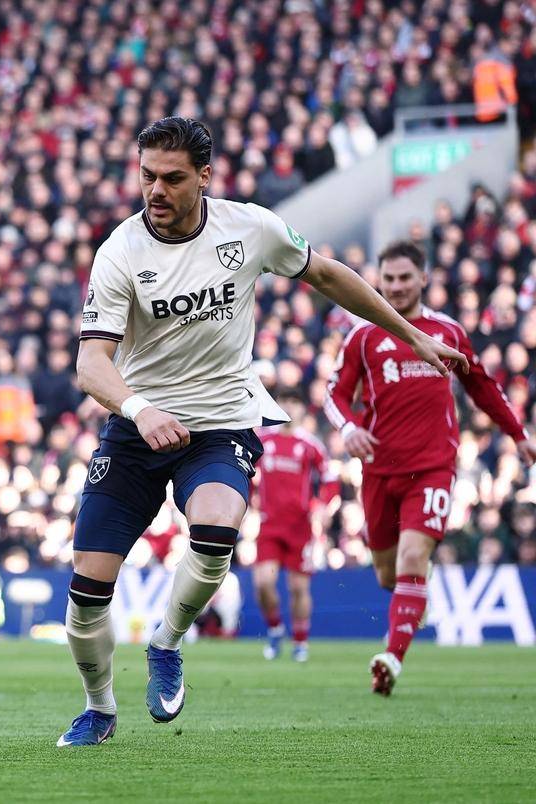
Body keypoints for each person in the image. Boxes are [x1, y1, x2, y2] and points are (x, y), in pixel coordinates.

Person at [60, 116, 465, 747]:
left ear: (204, 176)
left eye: (172, 178)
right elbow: (91, 364)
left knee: (217, 526)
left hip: (221, 421)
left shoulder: (249, 228)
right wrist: (140, 409)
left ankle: (166, 642)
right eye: (147, 176)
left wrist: (411, 334)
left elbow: (328, 275)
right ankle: (99, 708)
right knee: (87, 591)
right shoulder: (120, 252)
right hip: (138, 427)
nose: (156, 191)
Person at [324, 240, 535, 696]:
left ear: (424, 278)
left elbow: (482, 386)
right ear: (378, 281)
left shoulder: (448, 332)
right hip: (379, 469)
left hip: (433, 467)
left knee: (411, 560)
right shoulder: (363, 336)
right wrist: (348, 428)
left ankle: (391, 658)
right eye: (389, 278)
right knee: (387, 575)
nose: (397, 286)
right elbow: (334, 394)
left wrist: (518, 435)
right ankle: (417, 590)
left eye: (405, 277)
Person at [252, 391, 339, 663]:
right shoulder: (263, 440)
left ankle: (300, 642)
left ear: (302, 409)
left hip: (300, 527)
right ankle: (276, 628)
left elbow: (330, 480)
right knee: (263, 583)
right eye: (285, 402)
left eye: (294, 403)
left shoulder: (311, 445)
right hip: (269, 524)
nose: (289, 407)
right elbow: (245, 470)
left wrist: (323, 506)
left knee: (298, 588)